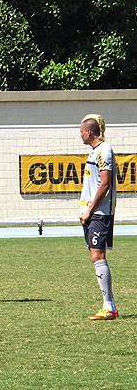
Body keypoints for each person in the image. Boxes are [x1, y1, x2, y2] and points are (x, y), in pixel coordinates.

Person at [79, 114, 118, 320]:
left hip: (99, 213)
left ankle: (109, 307)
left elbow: (104, 184)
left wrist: (90, 210)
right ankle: (110, 305)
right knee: (94, 255)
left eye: (81, 132)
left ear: (89, 132)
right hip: (91, 213)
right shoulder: (95, 151)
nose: (80, 136)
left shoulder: (104, 150)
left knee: (98, 256)